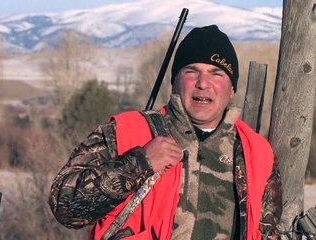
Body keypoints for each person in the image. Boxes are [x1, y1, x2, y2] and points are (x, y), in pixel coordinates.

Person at [49, 25, 282, 239]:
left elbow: (269, 232)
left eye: (216, 73)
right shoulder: (126, 131)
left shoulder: (258, 153)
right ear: (175, 82)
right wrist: (139, 163)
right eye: (192, 71)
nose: (203, 83)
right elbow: (64, 206)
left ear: (231, 89)